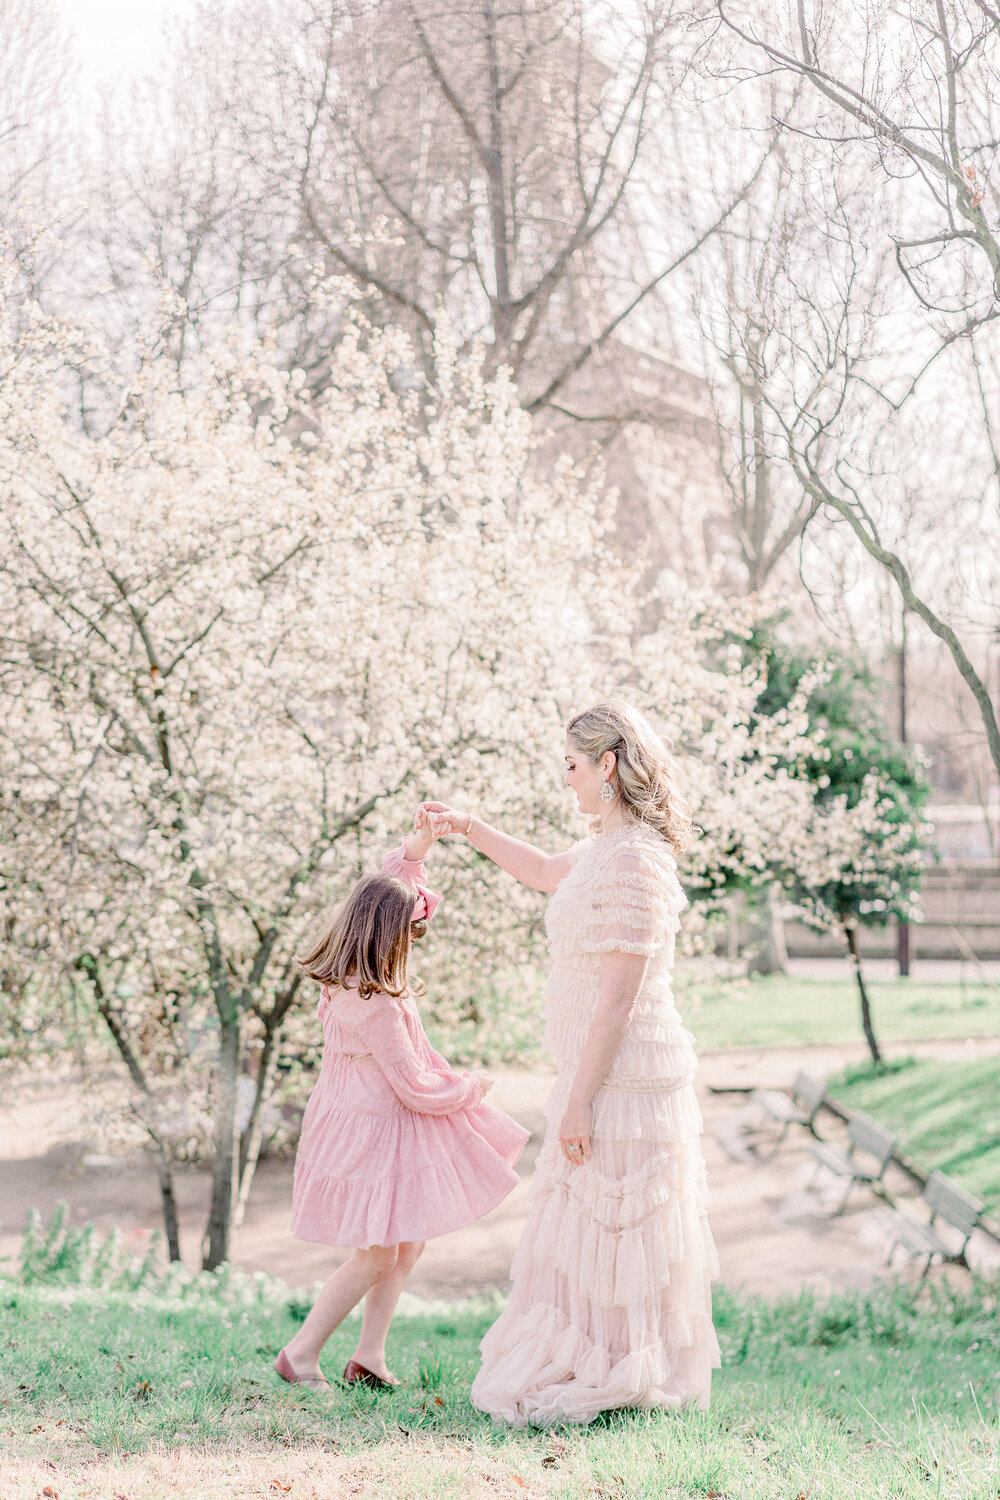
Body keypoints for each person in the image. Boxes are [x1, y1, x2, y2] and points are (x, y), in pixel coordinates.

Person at [422, 700, 721, 1425]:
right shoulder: (599, 852)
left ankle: (624, 1368)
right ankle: (594, 1357)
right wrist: (466, 826)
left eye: (572, 767)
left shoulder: (639, 861)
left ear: (608, 766)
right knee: (586, 1225)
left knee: (621, 1223)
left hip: (626, 1073)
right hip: (591, 1068)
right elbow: (542, 869)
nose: (566, 781)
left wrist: (581, 1099)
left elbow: (620, 997)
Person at [275, 814, 529, 1390]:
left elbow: (395, 878)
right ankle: (301, 1354)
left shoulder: (345, 977)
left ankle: (370, 1356)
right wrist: (471, 1086)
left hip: (361, 1122)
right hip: (369, 1131)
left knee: (406, 1242)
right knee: (375, 1255)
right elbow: (414, 1085)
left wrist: (422, 845)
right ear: (390, 935)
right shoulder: (377, 1003)